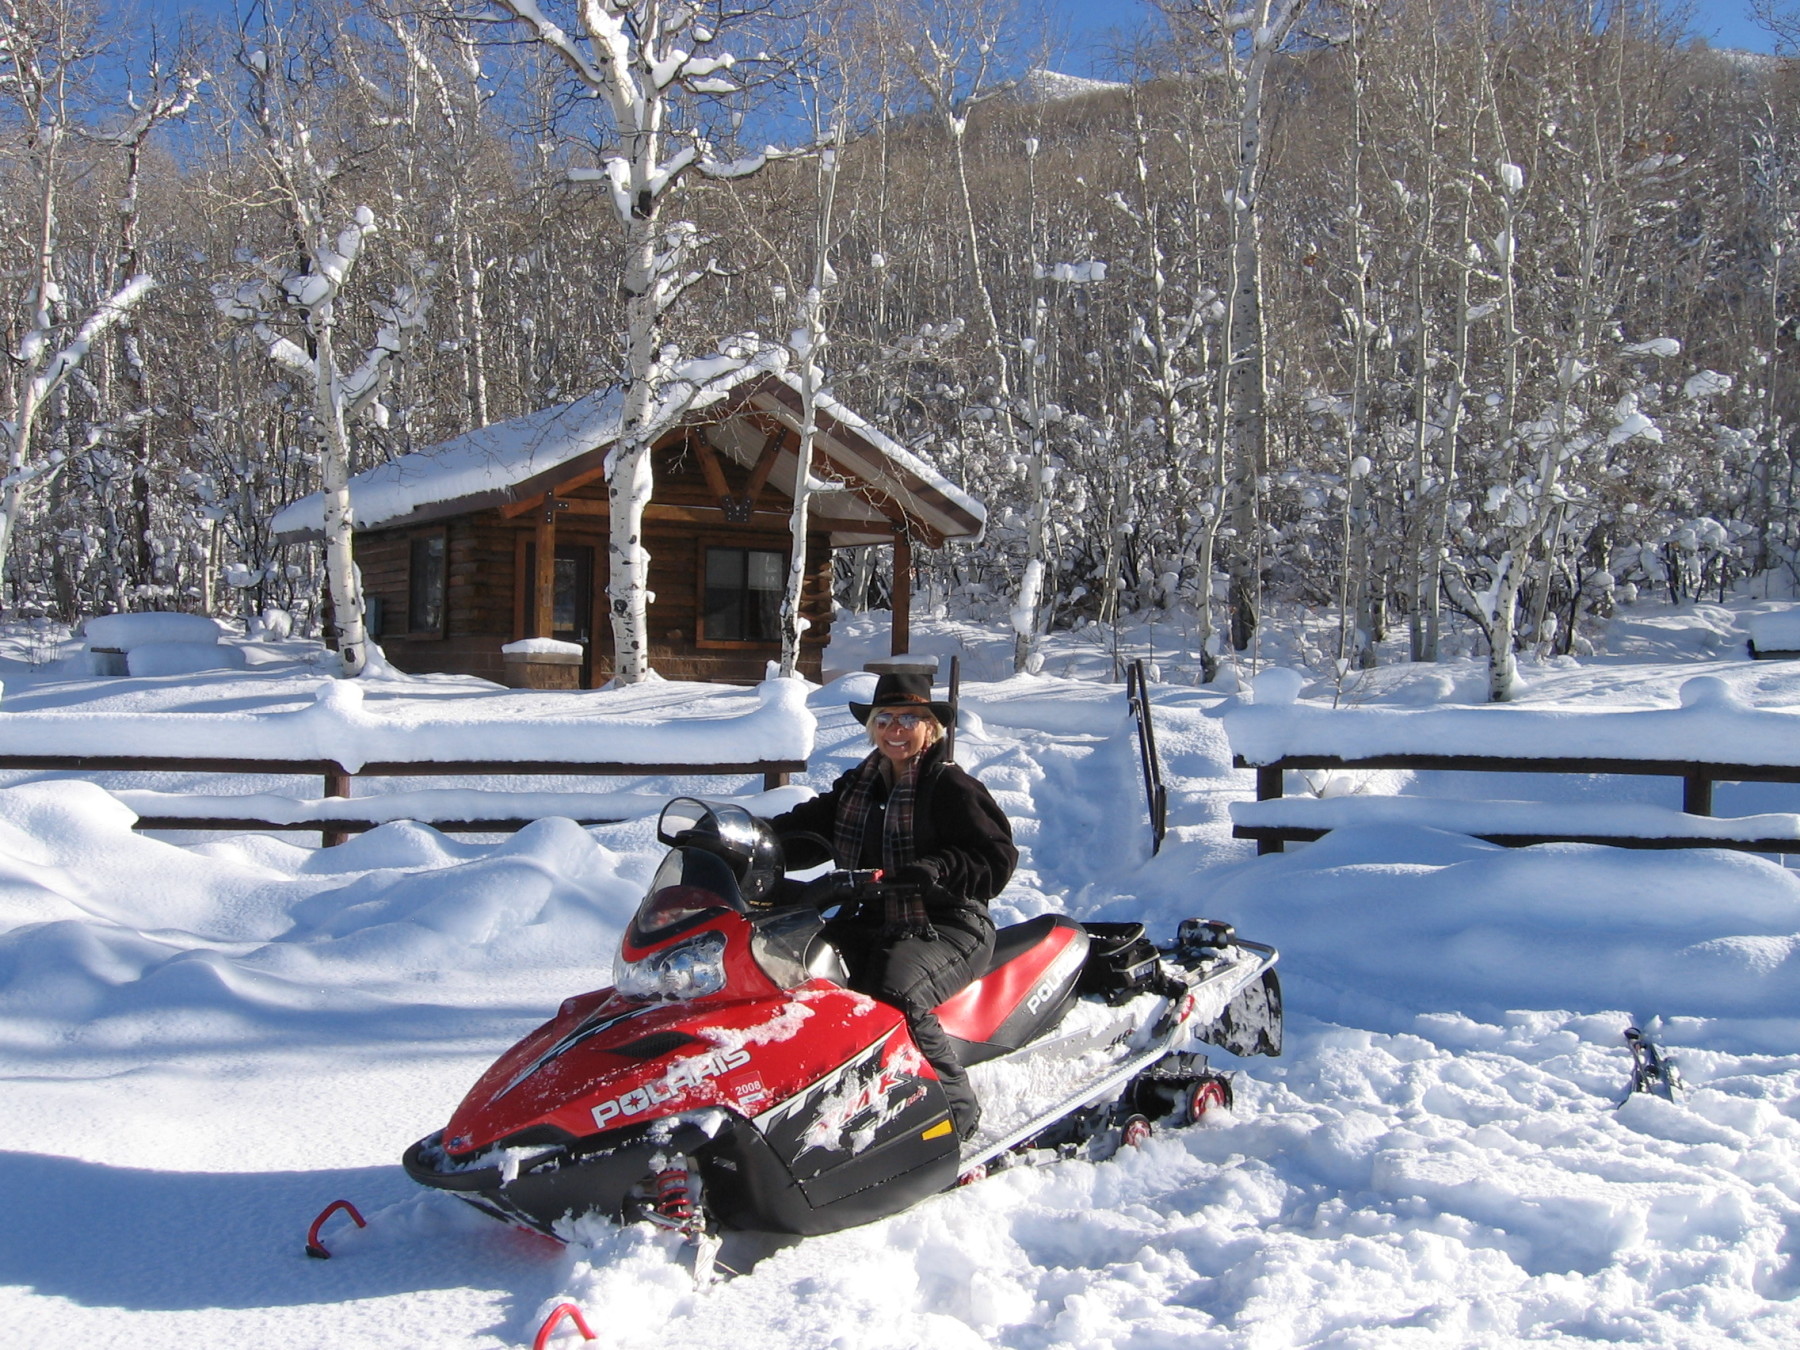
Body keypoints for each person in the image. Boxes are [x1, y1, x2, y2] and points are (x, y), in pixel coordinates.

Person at [768, 671, 1016, 1141]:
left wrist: (936, 869)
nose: (895, 729)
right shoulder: (858, 787)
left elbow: (997, 859)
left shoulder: (950, 786)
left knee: (893, 993)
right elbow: (804, 832)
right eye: (885, 719)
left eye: (909, 718)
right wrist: (743, 840)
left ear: (931, 728)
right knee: (798, 974)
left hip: (947, 923)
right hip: (872, 919)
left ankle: (956, 1115)